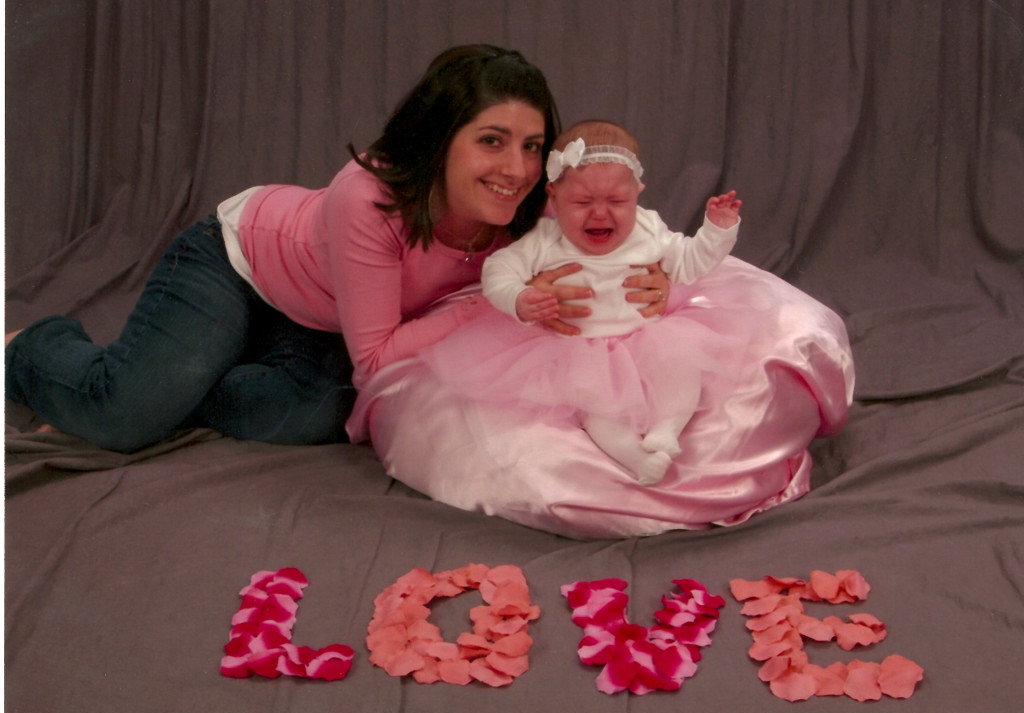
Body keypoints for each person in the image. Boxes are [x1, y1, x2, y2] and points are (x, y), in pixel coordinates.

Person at [5, 45, 674, 454]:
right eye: (491, 141)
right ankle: (28, 346)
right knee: (123, 416)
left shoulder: (532, 205)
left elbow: (623, 236)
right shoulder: (369, 196)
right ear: (440, 140)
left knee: (319, 415)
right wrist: (499, 304)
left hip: (327, 322)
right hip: (239, 266)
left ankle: (191, 374)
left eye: (532, 146)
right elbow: (377, 358)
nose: (517, 169)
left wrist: (658, 280)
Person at [421, 120, 741, 485]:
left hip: (646, 338)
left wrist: (717, 230)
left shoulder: (648, 229)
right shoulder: (545, 240)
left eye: (617, 201)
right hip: (581, 352)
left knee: (682, 368)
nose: (600, 213)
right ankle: (635, 458)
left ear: (637, 192)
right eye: (582, 202)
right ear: (554, 196)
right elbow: (498, 269)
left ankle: (668, 429)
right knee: (598, 411)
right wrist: (519, 298)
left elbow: (689, 263)